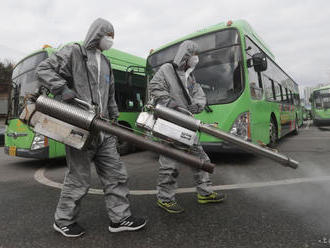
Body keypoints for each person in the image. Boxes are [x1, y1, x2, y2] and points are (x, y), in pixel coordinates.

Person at [36, 18, 146, 237]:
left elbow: (110, 95)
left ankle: (120, 218)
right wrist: (62, 89)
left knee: (116, 175)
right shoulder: (74, 52)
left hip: (104, 129)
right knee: (78, 179)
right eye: (109, 35)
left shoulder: (105, 63)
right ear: (98, 34)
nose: (110, 40)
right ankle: (63, 220)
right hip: (80, 126)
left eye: (112, 37)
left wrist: (114, 119)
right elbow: (44, 69)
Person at [148, 40, 226, 214]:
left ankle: (204, 193)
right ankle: (165, 198)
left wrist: (197, 105)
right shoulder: (167, 70)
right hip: (170, 125)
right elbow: (154, 87)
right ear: (186, 55)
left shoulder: (190, 76)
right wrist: (172, 104)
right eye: (194, 55)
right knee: (170, 165)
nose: (196, 59)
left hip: (188, 126)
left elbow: (199, 95)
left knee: (202, 160)